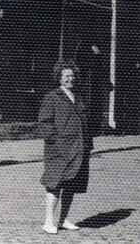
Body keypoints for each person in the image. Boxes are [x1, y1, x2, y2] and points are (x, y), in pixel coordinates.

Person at [39, 60, 92, 235]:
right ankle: (48, 222)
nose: (70, 79)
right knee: (55, 184)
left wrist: (88, 144)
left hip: (78, 148)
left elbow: (85, 123)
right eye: (66, 76)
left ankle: (63, 220)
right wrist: (55, 141)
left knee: (71, 184)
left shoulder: (78, 97)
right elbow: (45, 123)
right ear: (59, 78)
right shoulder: (52, 97)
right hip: (59, 150)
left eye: (72, 76)